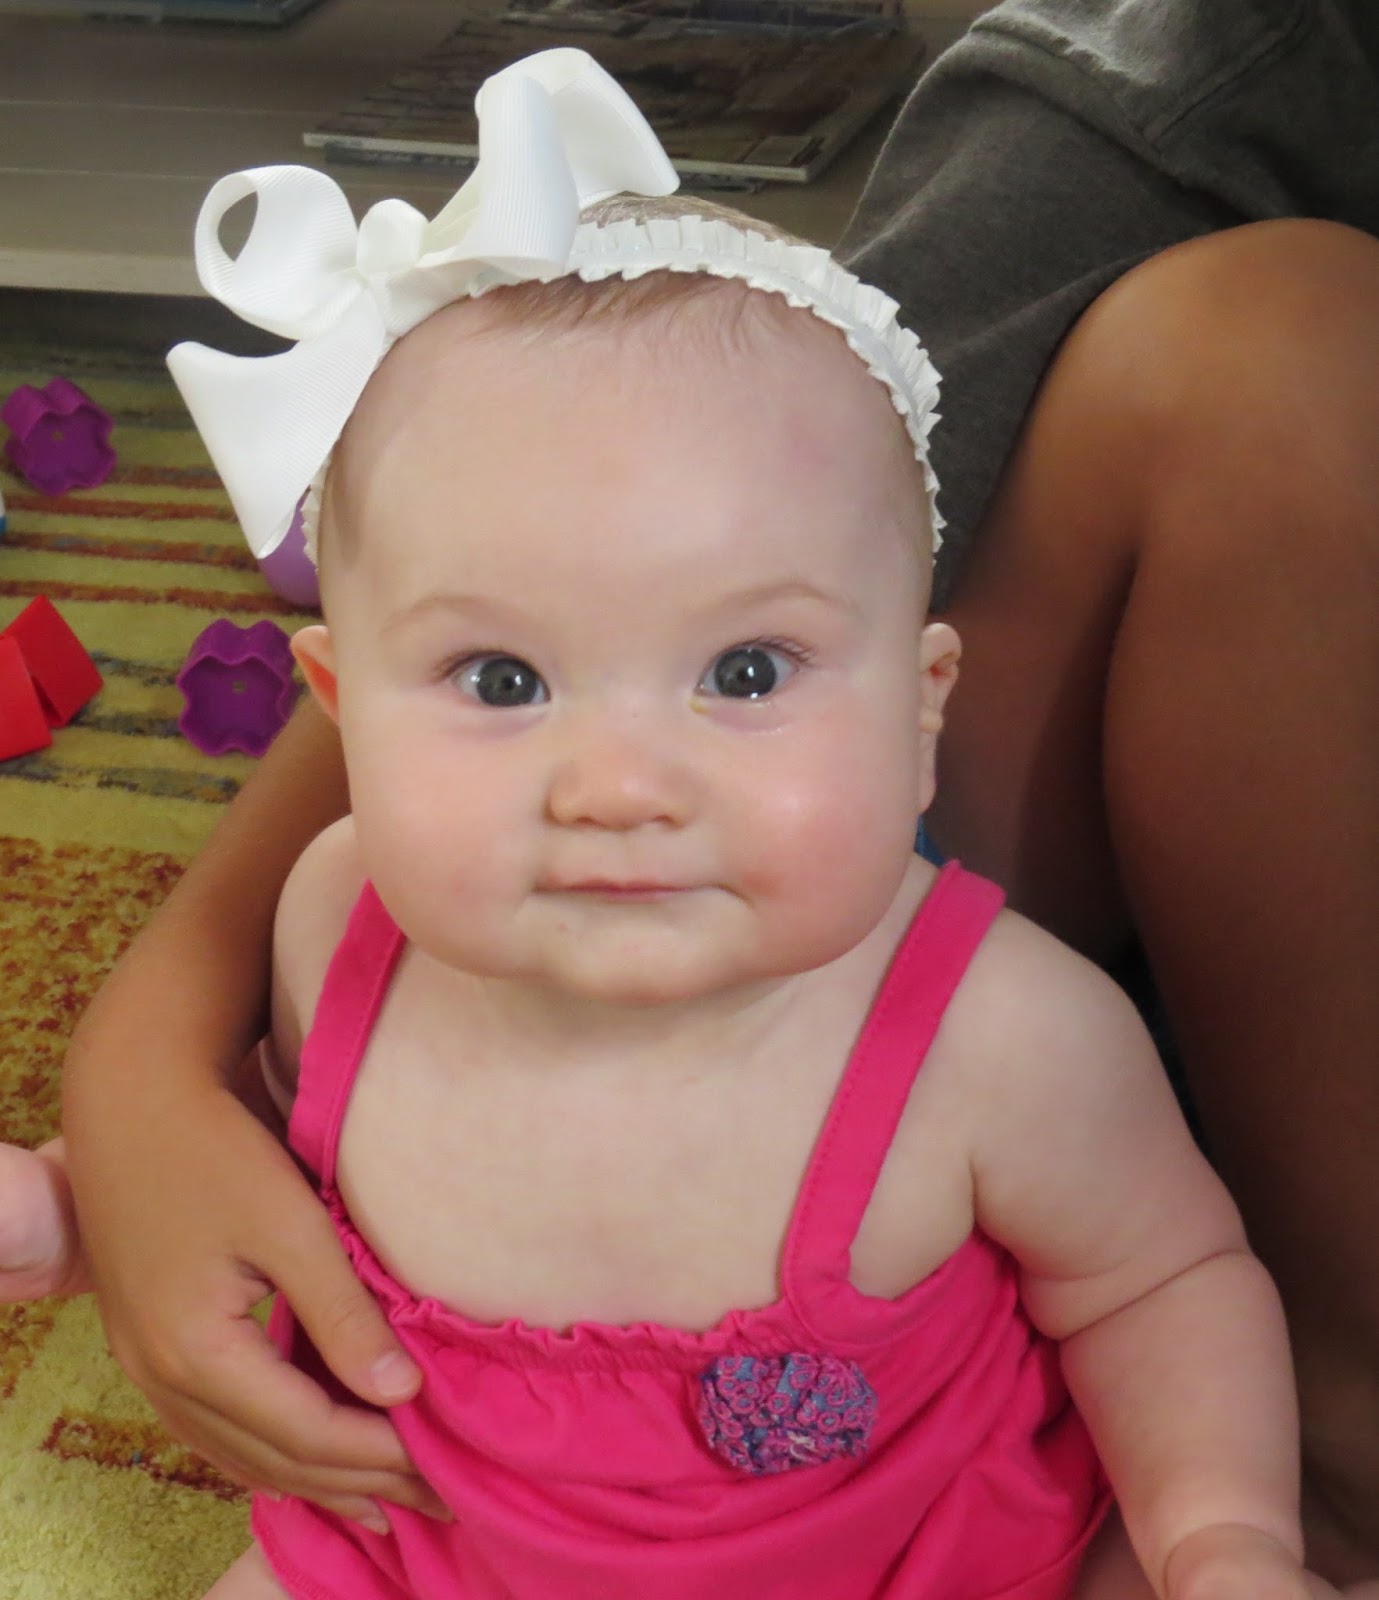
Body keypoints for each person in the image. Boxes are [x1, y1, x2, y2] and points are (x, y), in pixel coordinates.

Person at [5, 0, 1376, 1583]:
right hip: (428, 1548)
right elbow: (261, 1136)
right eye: (502, 682)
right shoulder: (336, 926)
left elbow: (1156, 1285)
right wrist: (73, 1204)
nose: (618, 789)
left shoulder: (1003, 1035)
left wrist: (1220, 1532)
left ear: (925, 703)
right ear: (334, 704)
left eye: (744, 672)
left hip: (911, 1561)